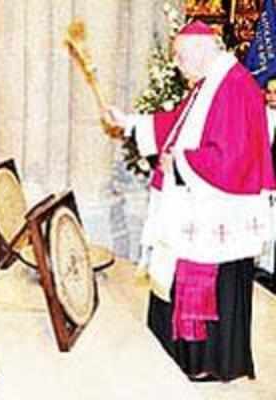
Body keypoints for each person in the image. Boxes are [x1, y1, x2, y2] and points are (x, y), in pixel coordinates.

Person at [102, 20, 275, 382]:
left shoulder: (235, 86)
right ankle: (180, 352)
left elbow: (233, 157)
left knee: (211, 280)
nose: (178, 65)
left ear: (201, 51)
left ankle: (209, 362)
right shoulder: (210, 84)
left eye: (180, 57)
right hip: (198, 205)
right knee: (176, 270)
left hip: (218, 212)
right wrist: (131, 123)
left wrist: (178, 162)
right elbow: (176, 125)